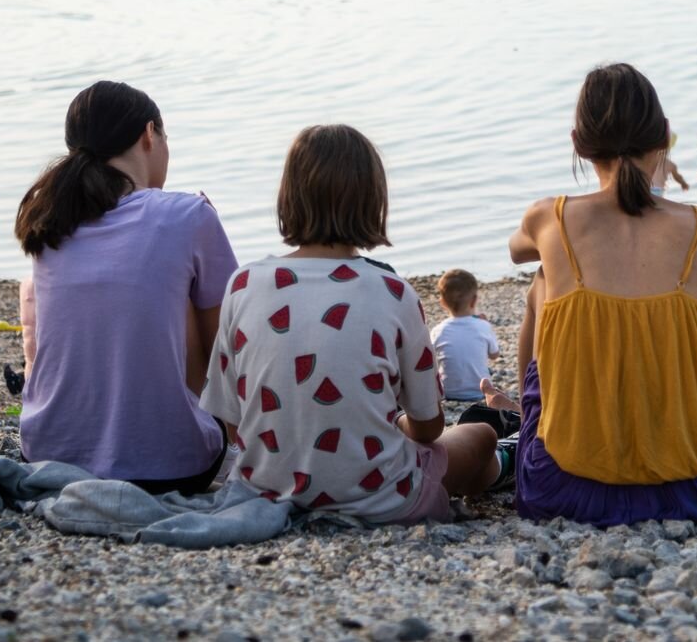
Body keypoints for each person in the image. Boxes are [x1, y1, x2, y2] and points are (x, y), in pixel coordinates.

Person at [201, 125, 500, 522]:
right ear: (374, 199)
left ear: (288, 196)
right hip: (381, 497)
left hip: (265, 490)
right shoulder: (393, 291)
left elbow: (230, 419)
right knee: (479, 436)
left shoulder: (243, 284)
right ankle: (507, 465)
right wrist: (391, 422)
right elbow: (428, 427)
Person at [501, 63, 697, 526]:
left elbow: (515, 251)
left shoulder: (547, 216)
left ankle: (529, 427)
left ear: (578, 143)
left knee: (541, 283)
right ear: (663, 138)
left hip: (563, 486)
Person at [14, 81, 238, 491]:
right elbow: (224, 348)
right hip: (170, 467)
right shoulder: (187, 215)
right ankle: (160, 424)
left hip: (46, 455)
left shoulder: (51, 216)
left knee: (150, 286)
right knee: (180, 293)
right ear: (149, 135)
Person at [430, 270, 500, 402]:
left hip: (448, 393)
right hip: (481, 392)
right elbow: (494, 355)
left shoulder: (437, 331)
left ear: (443, 303)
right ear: (474, 300)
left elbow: (430, 361)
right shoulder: (483, 326)